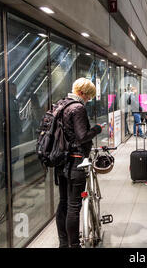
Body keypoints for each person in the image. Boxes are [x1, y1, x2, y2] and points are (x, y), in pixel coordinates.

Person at [56, 78, 103, 248]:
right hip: (76, 162)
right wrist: (97, 129)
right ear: (82, 93)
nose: (89, 100)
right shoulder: (78, 107)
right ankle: (74, 245)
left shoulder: (61, 105)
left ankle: (63, 244)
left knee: (63, 203)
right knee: (74, 206)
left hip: (60, 161)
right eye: (89, 96)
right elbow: (82, 136)